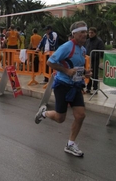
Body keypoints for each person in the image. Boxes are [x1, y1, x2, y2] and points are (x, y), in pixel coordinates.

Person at [35, 21, 91, 157]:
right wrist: (66, 70)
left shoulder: (83, 50)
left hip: (75, 85)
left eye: (86, 32)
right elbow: (50, 62)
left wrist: (85, 73)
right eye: (82, 32)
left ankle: (70, 144)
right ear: (74, 34)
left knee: (80, 115)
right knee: (60, 118)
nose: (85, 34)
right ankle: (44, 113)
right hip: (62, 85)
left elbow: (76, 67)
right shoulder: (67, 47)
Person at [84, 27, 104, 95]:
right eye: (89, 33)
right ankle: (88, 87)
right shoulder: (87, 41)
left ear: (95, 33)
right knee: (88, 73)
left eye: (92, 33)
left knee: (95, 74)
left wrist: (93, 56)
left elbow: (101, 52)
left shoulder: (99, 41)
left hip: (95, 61)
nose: (90, 34)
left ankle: (95, 88)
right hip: (87, 61)